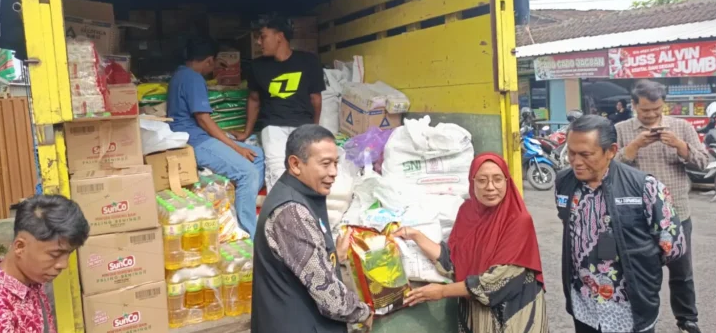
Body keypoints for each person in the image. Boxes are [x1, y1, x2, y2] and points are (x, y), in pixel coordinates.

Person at [556, 115, 685, 333]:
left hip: (630, 306)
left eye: (586, 154)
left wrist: (638, 263)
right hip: (584, 305)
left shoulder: (644, 187)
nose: (576, 161)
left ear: (611, 151)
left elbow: (672, 247)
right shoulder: (564, 182)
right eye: (571, 152)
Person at [396, 152, 548, 333]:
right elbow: (454, 260)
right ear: (472, 182)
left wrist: (442, 292)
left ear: (507, 181)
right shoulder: (467, 213)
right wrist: (415, 235)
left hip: (514, 314)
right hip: (477, 316)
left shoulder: (518, 220)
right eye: (482, 180)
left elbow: (498, 280)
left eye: (497, 179)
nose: (490, 187)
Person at [251, 125, 372, 333]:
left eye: (335, 163)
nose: (333, 172)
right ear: (296, 164)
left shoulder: (302, 195)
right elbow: (329, 296)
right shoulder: (291, 213)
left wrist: (335, 256)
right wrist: (363, 313)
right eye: (325, 164)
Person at [614, 80, 707, 333]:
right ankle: (642, 322)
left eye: (657, 110)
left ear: (663, 105)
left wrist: (680, 145)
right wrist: (632, 147)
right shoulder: (621, 130)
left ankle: (687, 320)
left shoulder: (681, 127)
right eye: (645, 111)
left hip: (677, 215)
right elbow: (607, 167)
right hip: (636, 219)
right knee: (639, 276)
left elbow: (703, 162)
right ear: (634, 105)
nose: (652, 116)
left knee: (682, 275)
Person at [168, 37, 265, 238]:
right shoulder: (193, 78)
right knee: (247, 173)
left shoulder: (179, 74)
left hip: (195, 137)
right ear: (209, 61)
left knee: (258, 155)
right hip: (195, 141)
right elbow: (203, 119)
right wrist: (236, 147)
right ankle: (250, 234)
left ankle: (241, 203)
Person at [0, 195, 90, 331]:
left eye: (69, 253)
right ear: (20, 247)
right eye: (55, 254)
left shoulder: (33, 281)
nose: (63, 264)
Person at [231, 16, 325, 192]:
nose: (259, 42)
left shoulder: (309, 61)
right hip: (273, 127)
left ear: (279, 36)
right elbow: (254, 100)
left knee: (306, 171)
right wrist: (247, 132)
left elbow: (316, 99)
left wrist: (314, 128)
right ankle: (281, 213)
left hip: (302, 125)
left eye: (263, 36)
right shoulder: (257, 66)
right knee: (277, 172)